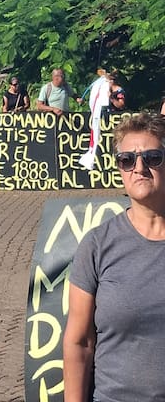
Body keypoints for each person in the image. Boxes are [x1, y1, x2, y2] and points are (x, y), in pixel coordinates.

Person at [64, 113, 165, 401]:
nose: (140, 168)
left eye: (153, 157)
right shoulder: (97, 246)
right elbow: (79, 342)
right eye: (127, 160)